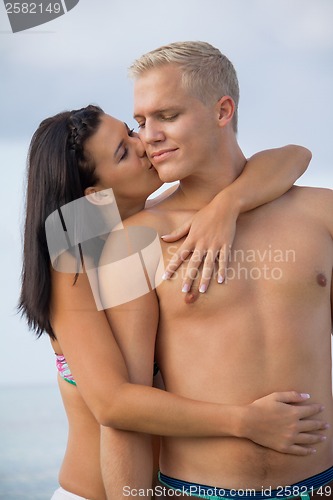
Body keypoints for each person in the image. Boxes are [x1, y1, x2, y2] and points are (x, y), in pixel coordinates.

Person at [19, 105, 326, 500]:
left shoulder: (151, 221)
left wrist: (226, 206)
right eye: (123, 152)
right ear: (95, 195)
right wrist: (246, 422)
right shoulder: (73, 266)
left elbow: (294, 156)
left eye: (131, 131)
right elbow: (113, 404)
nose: (143, 143)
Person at [98, 41, 333, 499]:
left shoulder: (321, 214)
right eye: (142, 121)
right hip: (196, 491)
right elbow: (127, 414)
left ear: (222, 110)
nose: (149, 136)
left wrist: (229, 205)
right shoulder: (134, 241)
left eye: (167, 116)